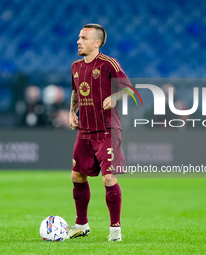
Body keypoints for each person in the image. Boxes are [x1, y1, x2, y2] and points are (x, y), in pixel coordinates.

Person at [68, 24, 132, 242]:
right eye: (79, 37)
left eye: (84, 38)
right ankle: (81, 225)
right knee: (77, 175)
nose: (78, 41)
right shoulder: (75, 66)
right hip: (84, 130)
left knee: (108, 178)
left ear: (97, 43)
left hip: (107, 131)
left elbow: (128, 89)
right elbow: (75, 91)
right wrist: (71, 112)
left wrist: (114, 98)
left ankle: (115, 230)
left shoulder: (108, 64)